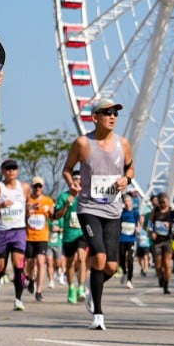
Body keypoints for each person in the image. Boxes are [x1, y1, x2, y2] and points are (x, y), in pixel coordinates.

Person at [62, 96, 136, 331]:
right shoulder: (83, 143)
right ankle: (98, 314)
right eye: (107, 112)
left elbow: (130, 167)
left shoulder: (122, 143)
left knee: (112, 268)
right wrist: (71, 184)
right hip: (89, 208)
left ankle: (94, 289)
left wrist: (127, 178)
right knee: (100, 258)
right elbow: (67, 169)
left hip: (113, 209)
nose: (112, 116)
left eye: (115, 112)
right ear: (95, 118)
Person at [0, 159, 29, 310]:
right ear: (2, 171)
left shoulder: (24, 187)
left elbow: (28, 204)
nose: (11, 171)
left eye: (13, 168)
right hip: (2, 231)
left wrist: (32, 209)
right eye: (7, 169)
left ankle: (18, 299)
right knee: (0, 266)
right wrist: (0, 205)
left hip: (19, 231)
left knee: (18, 265)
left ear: (18, 170)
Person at [53, 177, 88, 303]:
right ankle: (71, 288)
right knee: (70, 263)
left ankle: (81, 287)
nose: (78, 181)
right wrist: (68, 203)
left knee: (81, 258)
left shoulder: (86, 195)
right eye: (75, 179)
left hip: (82, 234)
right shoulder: (63, 196)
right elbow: (56, 216)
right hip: (68, 235)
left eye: (80, 179)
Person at [25, 176, 56, 301]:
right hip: (29, 237)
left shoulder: (48, 201)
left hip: (42, 237)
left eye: (40, 186)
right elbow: (23, 214)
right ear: (32, 187)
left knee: (41, 262)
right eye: (35, 186)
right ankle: (31, 279)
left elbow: (53, 216)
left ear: (42, 188)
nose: (37, 188)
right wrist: (30, 209)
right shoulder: (27, 199)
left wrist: (52, 211)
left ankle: (39, 291)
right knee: (30, 264)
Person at [147, 193, 173, 294]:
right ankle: (160, 277)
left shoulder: (171, 212)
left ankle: (166, 284)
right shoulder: (155, 211)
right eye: (161, 202)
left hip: (167, 240)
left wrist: (170, 225)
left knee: (167, 264)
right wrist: (151, 232)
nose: (163, 204)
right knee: (158, 264)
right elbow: (150, 224)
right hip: (157, 241)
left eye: (164, 202)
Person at [118, 193, 139, 289]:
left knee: (130, 259)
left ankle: (129, 280)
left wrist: (138, 228)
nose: (126, 203)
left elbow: (138, 223)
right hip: (122, 238)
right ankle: (124, 272)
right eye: (125, 201)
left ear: (131, 202)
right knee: (122, 258)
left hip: (131, 238)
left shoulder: (135, 212)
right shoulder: (121, 212)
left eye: (128, 201)